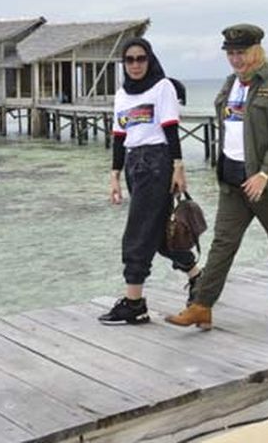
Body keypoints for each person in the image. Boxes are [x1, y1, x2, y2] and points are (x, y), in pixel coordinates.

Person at [167, 24, 268, 329]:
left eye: (241, 52)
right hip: (232, 181)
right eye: (230, 53)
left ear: (256, 50)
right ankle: (202, 304)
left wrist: (265, 173)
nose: (236, 59)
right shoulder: (230, 84)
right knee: (222, 244)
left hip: (265, 184)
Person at [98, 38, 201, 325]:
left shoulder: (162, 87)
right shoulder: (122, 94)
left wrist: (178, 168)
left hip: (158, 163)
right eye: (129, 60)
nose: (135, 65)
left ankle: (134, 303)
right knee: (156, 236)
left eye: (140, 58)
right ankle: (198, 278)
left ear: (150, 59)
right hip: (133, 163)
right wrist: (115, 176)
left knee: (136, 235)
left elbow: (170, 130)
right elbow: (120, 137)